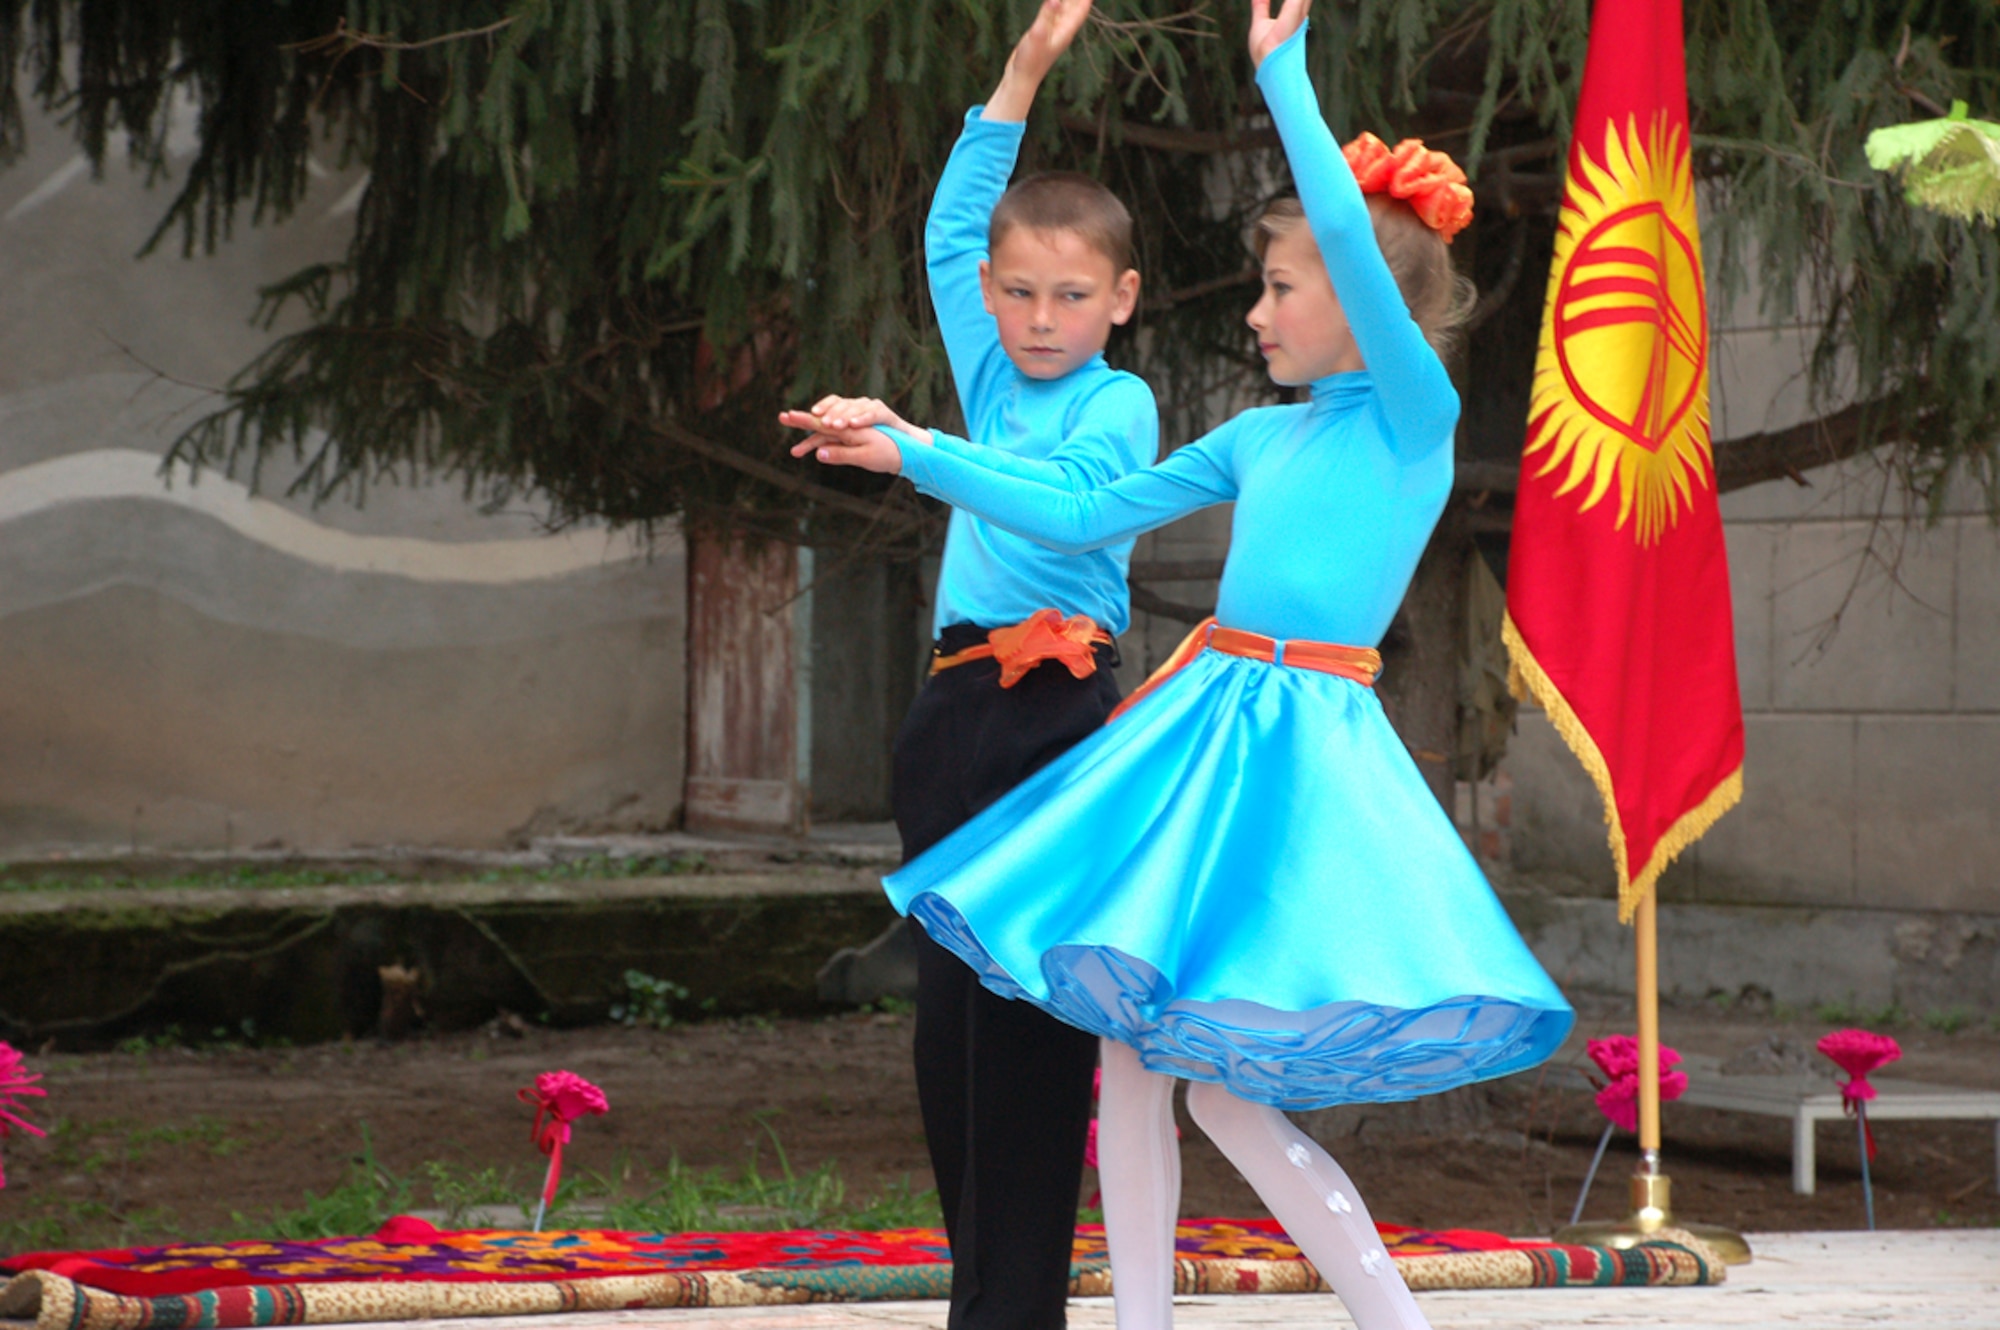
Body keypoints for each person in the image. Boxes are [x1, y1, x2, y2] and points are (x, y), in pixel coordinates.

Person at [786, 3, 1572, 1328]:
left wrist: (1289, 84)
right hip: (1206, 722)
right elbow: (1083, 514)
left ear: (1357, 296)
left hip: (1302, 748)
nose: (1256, 310)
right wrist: (912, 448)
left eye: (1281, 285)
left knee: (1216, 1083)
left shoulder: (1410, 422)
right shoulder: (1258, 439)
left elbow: (1355, 263)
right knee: (1140, 1070)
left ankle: (1396, 1317)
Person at [844, 3, 1158, 1328]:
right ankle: (984, 1292)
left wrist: (913, 446)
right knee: (949, 1021)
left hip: (1060, 715)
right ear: (989, 293)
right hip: (953, 709)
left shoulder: (1118, 404)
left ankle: (1018, 1303)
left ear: (1121, 300)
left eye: (1072, 295)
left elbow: (1068, 508)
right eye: (1019, 291)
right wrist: (1028, 65)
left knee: (1031, 1017)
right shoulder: (987, 365)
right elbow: (950, 220)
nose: (1039, 317)